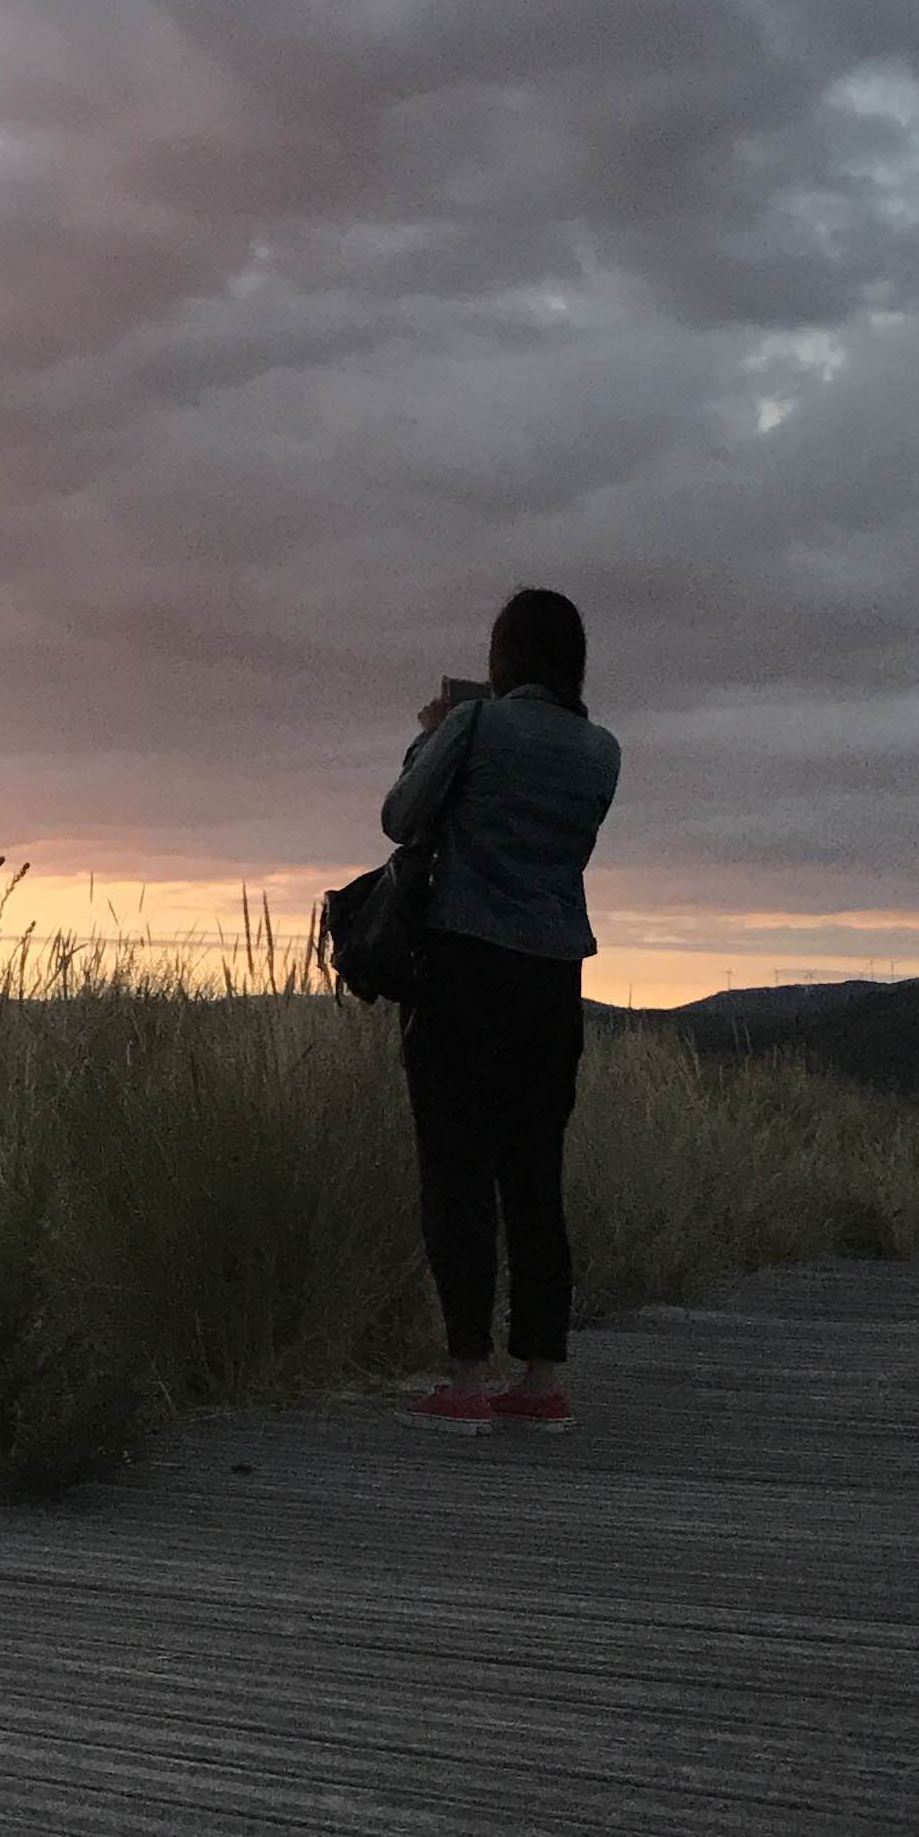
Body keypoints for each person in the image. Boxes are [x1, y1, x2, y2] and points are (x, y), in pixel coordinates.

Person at [378, 589, 619, 1429]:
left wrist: (431, 735)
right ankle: (540, 1379)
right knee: (534, 1173)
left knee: (456, 1171)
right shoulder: (603, 751)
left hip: (465, 969)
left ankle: (468, 1377)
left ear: (503, 656)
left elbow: (400, 819)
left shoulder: (473, 728)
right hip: (554, 979)